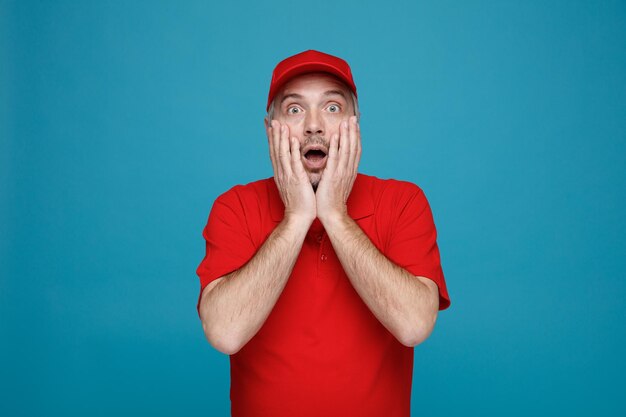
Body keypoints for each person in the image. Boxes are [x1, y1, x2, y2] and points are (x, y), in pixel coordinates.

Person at [196, 49, 451, 417]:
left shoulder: (404, 202)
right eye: (295, 110)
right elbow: (224, 333)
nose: (314, 125)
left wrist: (335, 214)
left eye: (332, 108)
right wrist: (297, 217)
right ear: (271, 130)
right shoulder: (234, 206)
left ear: (355, 125)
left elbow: (414, 325)